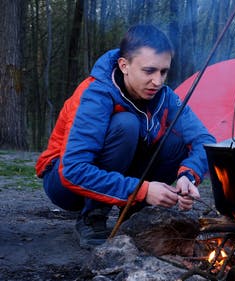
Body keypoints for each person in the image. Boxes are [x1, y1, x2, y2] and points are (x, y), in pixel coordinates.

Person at [35, 25, 216, 249]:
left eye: (163, 72)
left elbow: (204, 140)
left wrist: (189, 175)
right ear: (124, 65)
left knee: (175, 142)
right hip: (63, 183)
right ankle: (93, 216)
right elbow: (72, 170)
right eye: (149, 71)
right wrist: (144, 190)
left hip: (118, 173)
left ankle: (133, 212)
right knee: (126, 124)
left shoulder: (165, 97)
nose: (158, 82)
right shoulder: (96, 94)